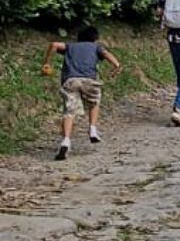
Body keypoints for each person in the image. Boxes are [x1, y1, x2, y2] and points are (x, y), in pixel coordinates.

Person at [41, 25, 121, 160]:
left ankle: (66, 140)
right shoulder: (96, 47)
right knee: (94, 102)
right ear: (95, 38)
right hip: (89, 80)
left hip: (70, 81)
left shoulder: (70, 46)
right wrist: (116, 67)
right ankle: (92, 129)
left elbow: (54, 44)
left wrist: (47, 63)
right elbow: (109, 57)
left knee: (69, 111)